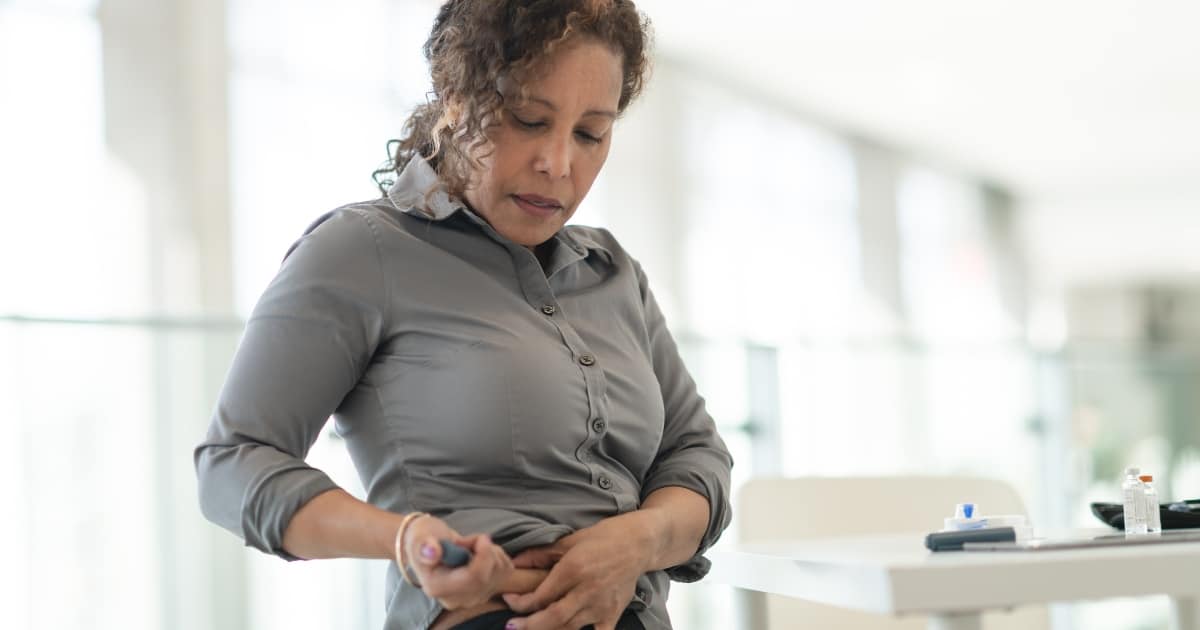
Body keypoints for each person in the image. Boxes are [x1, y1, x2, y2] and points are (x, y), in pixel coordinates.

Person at [194, 1, 733, 629]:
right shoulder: (362, 251)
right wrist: (405, 540)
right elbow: (233, 461)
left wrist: (636, 543)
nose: (559, 163)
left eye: (590, 133)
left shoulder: (612, 273)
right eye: (529, 120)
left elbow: (697, 457)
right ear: (455, 95)